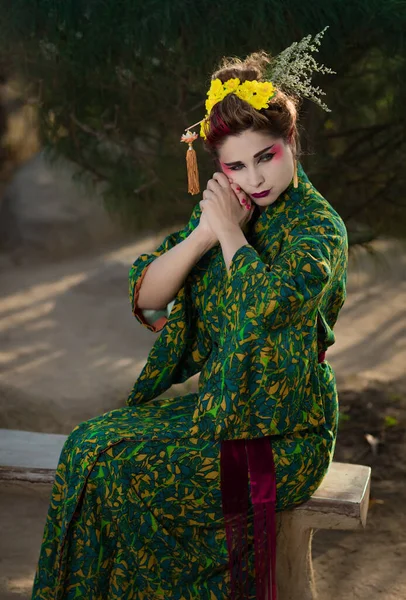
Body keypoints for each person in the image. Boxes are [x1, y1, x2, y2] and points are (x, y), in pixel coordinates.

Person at [32, 29, 348, 600]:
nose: (253, 178)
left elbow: (267, 306)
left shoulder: (319, 229)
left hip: (286, 430)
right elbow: (149, 294)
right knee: (85, 446)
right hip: (219, 411)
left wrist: (229, 231)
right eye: (235, 167)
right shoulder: (236, 209)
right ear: (219, 168)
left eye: (265, 157)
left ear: (291, 141)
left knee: (124, 475)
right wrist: (205, 233)